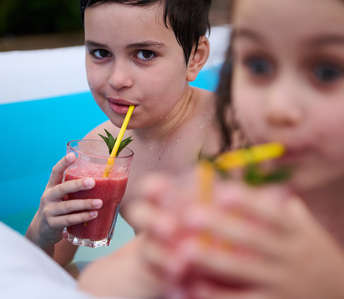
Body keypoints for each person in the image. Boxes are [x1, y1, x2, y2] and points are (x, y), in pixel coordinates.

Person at [79, 0, 344, 298]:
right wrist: (159, 261)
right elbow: (95, 283)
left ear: (196, 58)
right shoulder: (241, 185)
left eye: (327, 72)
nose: (277, 108)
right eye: (257, 65)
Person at [26, 0, 218, 271]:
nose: (117, 79)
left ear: (195, 58)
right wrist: (42, 231)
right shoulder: (103, 152)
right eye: (101, 52)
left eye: (145, 54)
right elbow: (47, 266)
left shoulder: (233, 132)